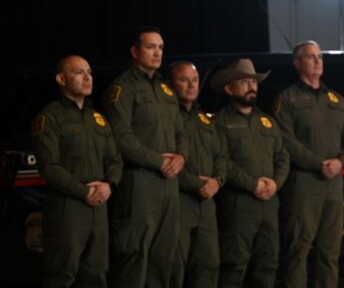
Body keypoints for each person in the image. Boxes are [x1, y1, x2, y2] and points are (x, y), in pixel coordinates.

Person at [101, 26, 189, 287]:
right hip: (140, 182)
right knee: (134, 255)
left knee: (164, 257)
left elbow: (181, 131)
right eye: (151, 47)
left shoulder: (165, 89)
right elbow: (121, 138)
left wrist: (182, 157)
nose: (157, 52)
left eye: (161, 47)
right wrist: (158, 160)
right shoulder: (122, 88)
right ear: (135, 51)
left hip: (169, 185)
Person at [31, 55, 123, 287]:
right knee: (61, 275)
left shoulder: (98, 118)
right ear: (61, 79)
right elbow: (50, 168)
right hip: (67, 210)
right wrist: (85, 192)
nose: (87, 77)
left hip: (99, 210)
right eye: (78, 72)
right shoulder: (49, 118)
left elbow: (115, 160)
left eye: (89, 72)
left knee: (96, 275)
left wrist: (109, 185)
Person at [274, 41, 344, 288]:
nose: (317, 61)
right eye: (310, 57)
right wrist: (319, 163)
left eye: (319, 56)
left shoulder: (337, 100)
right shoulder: (287, 99)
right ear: (297, 63)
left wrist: (340, 163)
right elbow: (286, 141)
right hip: (303, 183)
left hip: (333, 184)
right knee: (297, 251)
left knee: (329, 252)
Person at [211, 58, 290, 288]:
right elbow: (222, 161)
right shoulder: (220, 123)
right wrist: (253, 184)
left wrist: (275, 184)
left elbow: (283, 157)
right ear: (229, 88)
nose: (252, 86)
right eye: (244, 82)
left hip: (269, 207)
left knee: (268, 266)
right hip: (238, 206)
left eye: (254, 82)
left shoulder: (267, 121)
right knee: (234, 267)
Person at [169, 61, 228, 288]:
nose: (191, 85)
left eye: (194, 80)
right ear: (171, 83)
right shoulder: (168, 116)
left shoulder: (205, 118)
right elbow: (167, 160)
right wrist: (196, 184)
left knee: (208, 265)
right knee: (176, 267)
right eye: (184, 80)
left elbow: (221, 156)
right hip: (179, 201)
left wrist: (217, 181)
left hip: (207, 203)